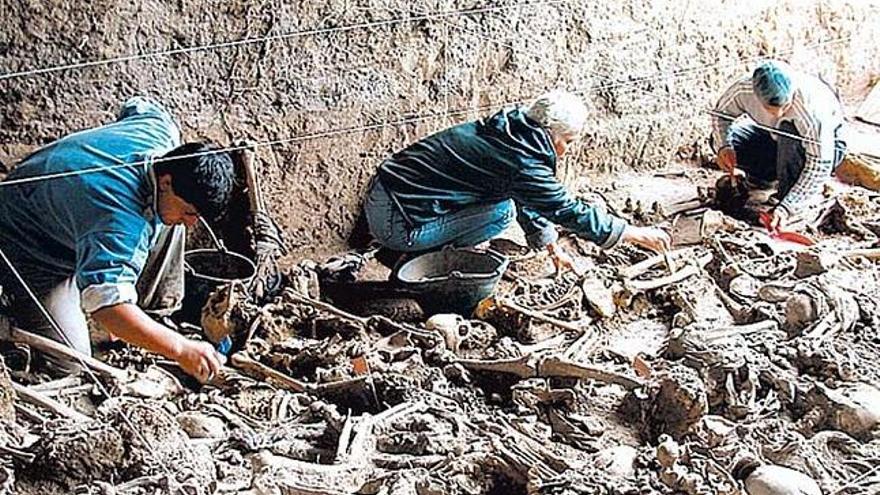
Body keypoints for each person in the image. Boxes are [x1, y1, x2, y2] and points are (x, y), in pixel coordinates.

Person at [0, 96, 236, 382]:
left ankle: (153, 313)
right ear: (166, 181)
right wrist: (179, 348)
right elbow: (107, 309)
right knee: (71, 366)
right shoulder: (119, 222)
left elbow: (139, 104)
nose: (192, 222)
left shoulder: (160, 133)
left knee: (171, 221)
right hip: (27, 246)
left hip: (51, 199)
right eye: (190, 211)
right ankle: (10, 318)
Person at [362, 89, 671, 269]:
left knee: (505, 205)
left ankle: (407, 249)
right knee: (501, 214)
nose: (567, 151)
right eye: (570, 141)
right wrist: (636, 234)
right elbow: (567, 210)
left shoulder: (512, 130)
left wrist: (549, 245)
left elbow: (527, 192)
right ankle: (412, 257)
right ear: (551, 134)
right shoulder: (522, 160)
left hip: (388, 195)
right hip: (397, 221)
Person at [711, 60, 846, 228]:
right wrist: (724, 147)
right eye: (770, 108)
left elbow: (819, 164)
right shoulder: (743, 90)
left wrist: (788, 208)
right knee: (725, 138)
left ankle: (790, 195)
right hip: (773, 137)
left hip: (823, 149)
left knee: (788, 129)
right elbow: (721, 115)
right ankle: (763, 178)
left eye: (786, 106)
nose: (780, 113)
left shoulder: (811, 111)